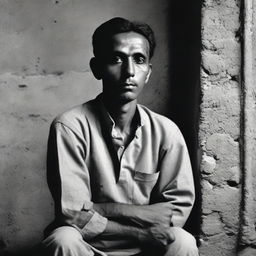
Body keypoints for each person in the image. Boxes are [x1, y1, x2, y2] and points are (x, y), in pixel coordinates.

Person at [41, 17, 198, 256]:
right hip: (89, 246)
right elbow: (72, 213)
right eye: (116, 59)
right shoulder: (69, 126)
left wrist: (101, 209)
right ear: (97, 68)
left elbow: (173, 214)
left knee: (183, 241)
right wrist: (140, 221)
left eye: (139, 59)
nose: (129, 71)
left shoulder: (167, 132)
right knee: (62, 239)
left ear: (148, 72)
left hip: (149, 247)